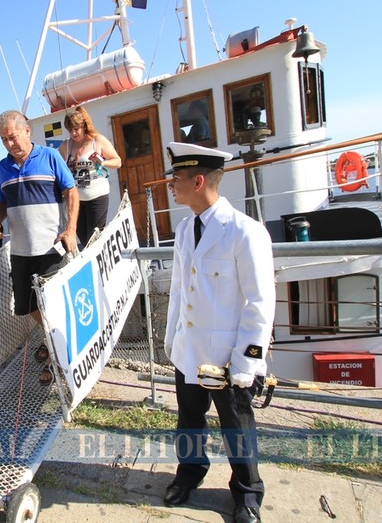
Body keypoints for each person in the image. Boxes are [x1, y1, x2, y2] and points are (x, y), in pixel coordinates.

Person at [161, 143, 275, 523]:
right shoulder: (183, 229)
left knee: (237, 429)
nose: (170, 186)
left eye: (175, 179)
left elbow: (260, 303)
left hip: (227, 358)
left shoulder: (245, 232)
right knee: (189, 421)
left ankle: (247, 494)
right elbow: (179, 288)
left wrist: (248, 362)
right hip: (190, 351)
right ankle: (189, 475)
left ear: (197, 181)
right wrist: (172, 338)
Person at [0, 110, 78, 384]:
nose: (9, 144)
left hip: (51, 248)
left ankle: (59, 360)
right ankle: (55, 342)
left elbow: (71, 191)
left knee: (55, 305)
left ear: (27, 131)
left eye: (12, 137)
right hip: (20, 251)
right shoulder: (2, 167)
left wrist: (71, 230)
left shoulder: (50, 157)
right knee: (28, 306)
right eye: (3, 140)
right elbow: (2, 201)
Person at [59, 106, 122, 247]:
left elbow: (118, 161)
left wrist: (103, 162)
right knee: (83, 238)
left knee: (95, 238)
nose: (73, 133)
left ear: (84, 126)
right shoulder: (66, 146)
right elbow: (56, 166)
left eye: (76, 129)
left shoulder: (97, 140)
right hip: (77, 200)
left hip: (97, 196)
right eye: (70, 130)